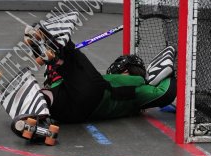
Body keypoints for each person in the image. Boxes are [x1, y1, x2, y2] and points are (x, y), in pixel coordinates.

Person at [21, 12, 176, 125]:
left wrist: (173, 71)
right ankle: (34, 113)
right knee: (58, 85)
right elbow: (165, 94)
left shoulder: (137, 83)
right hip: (71, 114)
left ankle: (53, 48)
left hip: (93, 95)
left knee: (73, 59)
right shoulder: (136, 96)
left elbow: (166, 93)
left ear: (128, 70)